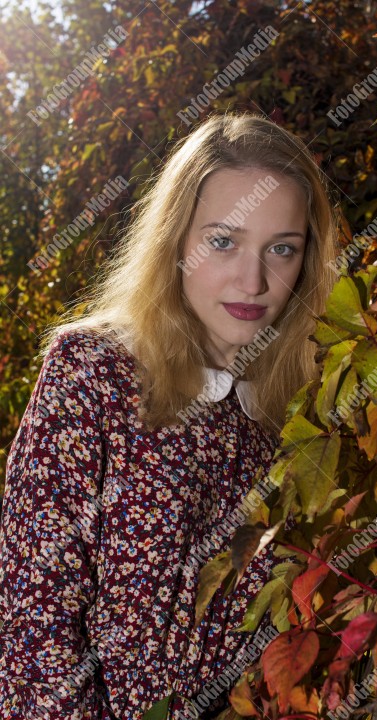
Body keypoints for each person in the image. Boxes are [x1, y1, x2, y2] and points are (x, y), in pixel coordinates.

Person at [0, 111, 338, 720]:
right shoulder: (93, 374)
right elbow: (34, 626)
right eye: (223, 241)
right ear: (175, 239)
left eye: (282, 249)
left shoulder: (300, 422)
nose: (253, 279)